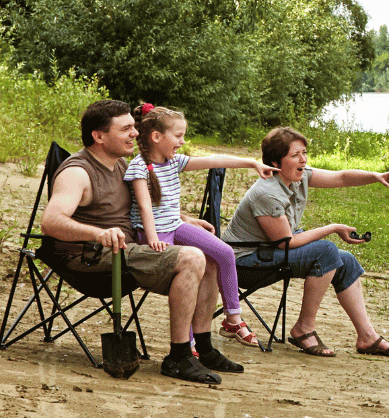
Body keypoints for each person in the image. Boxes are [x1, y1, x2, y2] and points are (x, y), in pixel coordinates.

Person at [41, 99, 243, 384]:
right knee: (192, 257)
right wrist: (96, 233)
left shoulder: (122, 164)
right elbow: (51, 221)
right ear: (98, 136)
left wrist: (183, 218)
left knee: (209, 256)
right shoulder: (78, 172)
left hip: (127, 249)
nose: (136, 134)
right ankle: (179, 356)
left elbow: (144, 206)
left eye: (134, 127)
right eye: (126, 129)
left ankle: (204, 348)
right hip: (91, 255)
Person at [221, 127, 389, 358]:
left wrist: (375, 176)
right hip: (244, 264)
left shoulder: (297, 178)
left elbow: (340, 177)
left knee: (345, 260)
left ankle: (367, 336)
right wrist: (333, 228)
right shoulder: (266, 193)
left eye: (304, 152)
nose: (303, 159)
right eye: (295, 155)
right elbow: (286, 242)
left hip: (268, 253)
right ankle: (304, 329)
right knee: (326, 250)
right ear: (275, 162)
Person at [126, 104, 279, 348]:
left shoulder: (174, 162)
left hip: (175, 226)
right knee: (187, 280)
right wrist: (153, 237)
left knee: (224, 252)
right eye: (178, 136)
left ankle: (233, 318)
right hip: (154, 234)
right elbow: (145, 207)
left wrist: (251, 163)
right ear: (156, 137)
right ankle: (187, 343)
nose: (182, 141)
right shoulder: (139, 167)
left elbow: (213, 160)